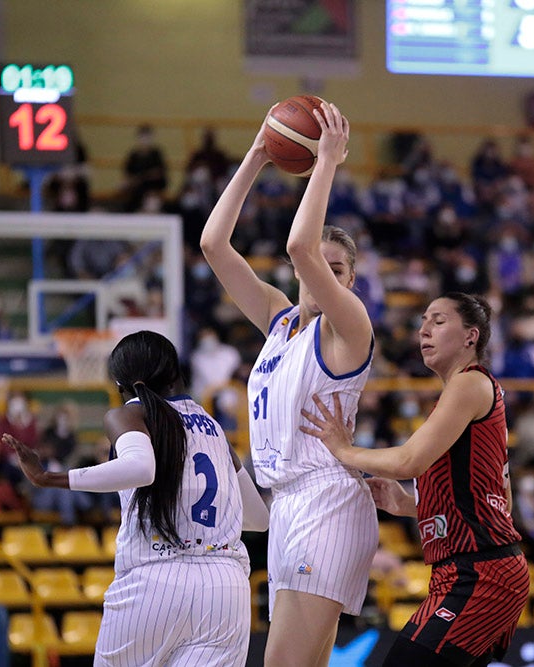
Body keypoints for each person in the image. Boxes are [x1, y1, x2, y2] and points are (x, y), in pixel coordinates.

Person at [200, 102, 378, 667]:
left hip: (326, 497)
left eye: (339, 269)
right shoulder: (280, 321)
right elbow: (212, 245)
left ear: (350, 281)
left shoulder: (348, 328)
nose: (323, 273)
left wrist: (326, 161)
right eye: (320, 266)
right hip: (286, 506)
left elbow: (301, 246)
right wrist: (256, 153)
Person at [2, 330, 269, 666]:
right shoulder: (214, 427)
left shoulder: (129, 414)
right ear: (176, 373)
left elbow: (141, 469)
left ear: (121, 385)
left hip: (154, 579)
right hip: (225, 586)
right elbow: (259, 519)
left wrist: (48, 478)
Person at [300, 293, 530, 667]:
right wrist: (409, 505)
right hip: (476, 571)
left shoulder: (469, 384)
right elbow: (496, 497)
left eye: (438, 321)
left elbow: (409, 460)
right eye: (423, 321)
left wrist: (343, 449)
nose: (424, 330)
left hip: (480, 574)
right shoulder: (471, 391)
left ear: (471, 336)